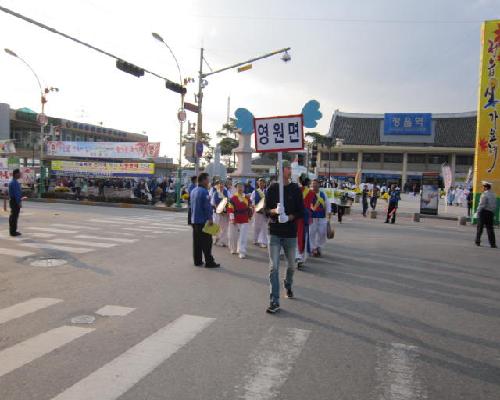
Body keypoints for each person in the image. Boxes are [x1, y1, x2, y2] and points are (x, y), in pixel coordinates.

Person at [264, 160, 304, 314]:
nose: (290, 170)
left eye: (289, 168)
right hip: (274, 231)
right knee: (273, 267)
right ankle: (274, 301)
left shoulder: (295, 189)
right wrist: (274, 211)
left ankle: (288, 284)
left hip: (290, 233)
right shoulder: (273, 188)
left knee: (292, 266)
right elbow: (265, 210)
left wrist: (290, 217)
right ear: (281, 170)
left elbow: (301, 211)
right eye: (287, 168)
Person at [190, 173, 220, 268]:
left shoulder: (193, 190)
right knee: (207, 242)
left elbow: (191, 206)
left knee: (197, 242)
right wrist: (210, 218)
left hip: (194, 220)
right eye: (207, 180)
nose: (208, 182)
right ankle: (209, 262)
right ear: (203, 180)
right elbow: (206, 207)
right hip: (203, 221)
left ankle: (197, 261)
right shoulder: (204, 191)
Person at [227, 181, 252, 259]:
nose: (240, 188)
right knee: (233, 236)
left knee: (243, 236)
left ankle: (242, 251)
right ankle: (233, 248)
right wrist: (232, 219)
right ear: (236, 188)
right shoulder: (233, 198)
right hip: (235, 218)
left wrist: (250, 215)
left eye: (242, 186)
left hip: (244, 218)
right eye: (239, 187)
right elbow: (230, 209)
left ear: (244, 188)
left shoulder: (247, 198)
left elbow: (250, 207)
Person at [296, 174, 314, 269]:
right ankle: (301, 257)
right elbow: (312, 206)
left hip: (296, 216)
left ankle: (297, 256)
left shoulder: (296, 191)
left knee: (296, 236)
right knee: (304, 236)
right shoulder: (311, 193)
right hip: (306, 217)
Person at [309, 179, 328, 257]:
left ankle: (319, 246)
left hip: (322, 217)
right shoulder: (309, 194)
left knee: (322, 232)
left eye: (315, 184)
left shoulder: (323, 194)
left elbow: (328, 204)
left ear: (319, 185)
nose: (314, 186)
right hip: (312, 217)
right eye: (312, 184)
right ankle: (313, 248)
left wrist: (329, 214)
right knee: (311, 233)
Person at [475, 181, 497, 248]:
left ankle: (477, 241)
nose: (483, 188)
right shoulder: (493, 194)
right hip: (490, 213)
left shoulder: (484, 194)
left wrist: (477, 212)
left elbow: (482, 204)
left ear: (486, 187)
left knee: (480, 228)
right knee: (490, 229)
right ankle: (493, 244)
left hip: (483, 212)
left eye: (484, 186)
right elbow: (494, 205)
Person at [251, 178, 268, 248]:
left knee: (264, 227)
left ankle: (263, 241)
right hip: (257, 212)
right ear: (258, 183)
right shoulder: (255, 192)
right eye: (260, 182)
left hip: (264, 212)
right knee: (256, 226)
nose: (261, 184)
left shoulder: (267, 191)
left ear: (265, 183)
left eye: (263, 182)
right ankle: (255, 239)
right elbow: (252, 201)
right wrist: (254, 208)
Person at [211, 180, 229, 247]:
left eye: (222, 184)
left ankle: (222, 241)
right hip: (217, 213)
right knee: (215, 226)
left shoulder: (227, 192)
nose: (221, 185)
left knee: (224, 228)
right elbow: (213, 203)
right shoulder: (215, 193)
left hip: (224, 213)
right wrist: (219, 210)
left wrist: (226, 211)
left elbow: (229, 202)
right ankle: (215, 238)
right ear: (217, 186)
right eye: (219, 184)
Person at [8, 169, 23, 237]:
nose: (20, 174)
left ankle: (13, 231)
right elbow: (16, 194)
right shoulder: (14, 183)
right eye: (19, 173)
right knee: (14, 217)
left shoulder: (13, 182)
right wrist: (19, 202)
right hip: (15, 201)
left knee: (13, 216)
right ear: (16, 174)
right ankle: (13, 232)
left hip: (13, 200)